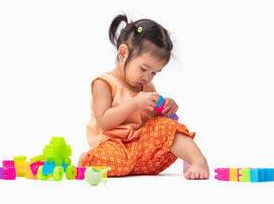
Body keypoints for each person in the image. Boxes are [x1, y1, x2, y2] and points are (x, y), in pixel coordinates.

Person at [79, 14, 209, 180]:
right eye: (143, 69)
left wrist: (165, 109)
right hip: (114, 147)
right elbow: (104, 121)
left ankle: (196, 159)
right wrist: (135, 103)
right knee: (115, 159)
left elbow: (153, 123)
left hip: (142, 150)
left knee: (166, 126)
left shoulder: (146, 87)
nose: (148, 77)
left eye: (154, 72)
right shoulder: (104, 84)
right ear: (123, 53)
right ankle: (86, 159)